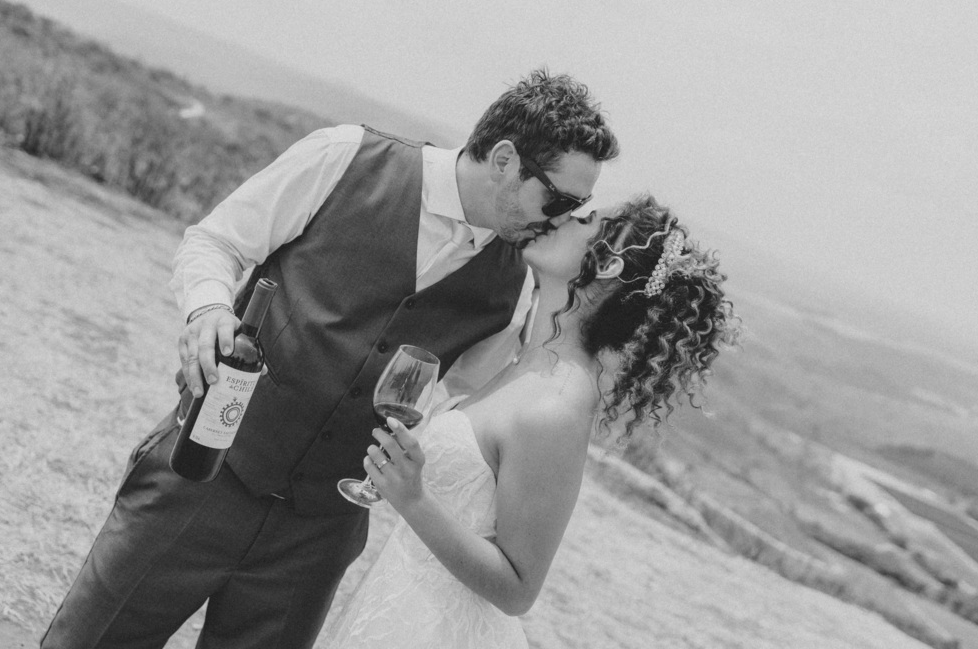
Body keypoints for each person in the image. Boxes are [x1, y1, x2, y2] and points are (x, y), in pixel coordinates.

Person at [41, 69, 619, 649]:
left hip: (318, 538)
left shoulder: (516, 289)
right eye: (560, 199)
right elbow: (216, 241)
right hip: (199, 474)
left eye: (579, 205)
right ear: (504, 159)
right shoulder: (344, 157)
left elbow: (464, 407)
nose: (562, 217)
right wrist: (208, 310)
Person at [319, 194, 739, 648]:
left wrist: (415, 499)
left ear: (608, 265)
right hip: (399, 609)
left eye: (585, 219)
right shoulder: (529, 364)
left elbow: (518, 588)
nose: (561, 217)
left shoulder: (556, 407)